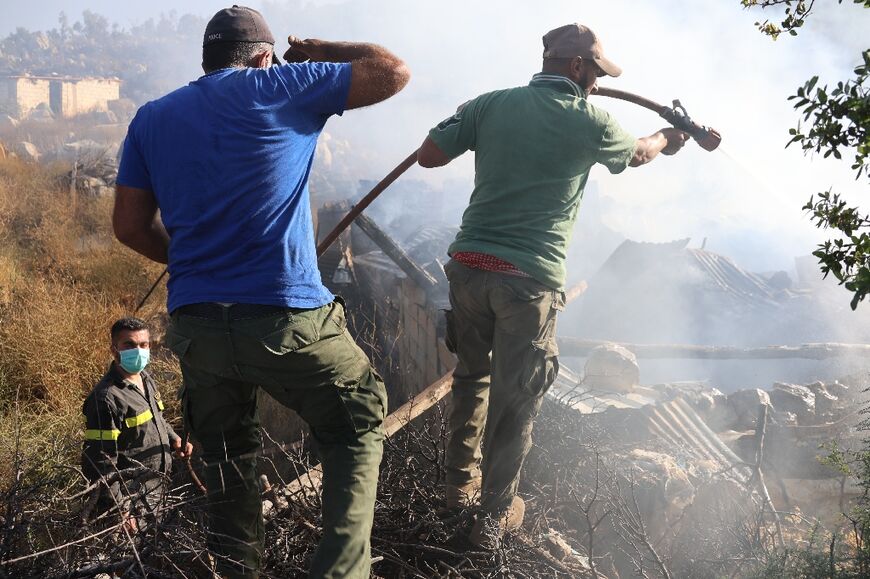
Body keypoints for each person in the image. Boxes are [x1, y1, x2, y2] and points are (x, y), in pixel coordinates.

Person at [112, 5, 409, 578]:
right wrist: (318, 50)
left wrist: (196, 262)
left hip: (198, 327)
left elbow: (127, 226)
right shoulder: (281, 85)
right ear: (263, 58)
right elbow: (393, 71)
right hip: (285, 315)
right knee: (356, 417)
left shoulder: (151, 118)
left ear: (207, 59)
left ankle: (235, 568)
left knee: (225, 459)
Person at [416, 23, 689, 549]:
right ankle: (493, 518)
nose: (596, 83)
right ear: (578, 68)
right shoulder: (589, 119)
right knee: (516, 401)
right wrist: (668, 138)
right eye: (595, 73)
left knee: (472, 376)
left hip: (468, 271)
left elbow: (429, 154)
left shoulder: (489, 104)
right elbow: (636, 154)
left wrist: (467, 123)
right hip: (527, 282)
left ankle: (458, 488)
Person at [81, 317, 193, 531]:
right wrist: (119, 511)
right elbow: (99, 463)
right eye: (129, 345)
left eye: (143, 345)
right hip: (129, 502)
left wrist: (174, 439)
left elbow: (156, 418)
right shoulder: (105, 399)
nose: (138, 351)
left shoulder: (145, 378)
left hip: (156, 491)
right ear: (114, 350)